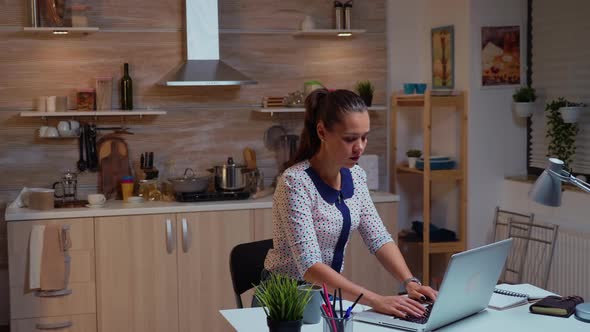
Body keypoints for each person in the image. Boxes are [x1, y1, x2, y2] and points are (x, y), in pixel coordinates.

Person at [264, 88, 438, 318]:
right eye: (350, 139)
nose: (360, 147)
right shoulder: (294, 183)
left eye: (364, 137)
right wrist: (376, 300)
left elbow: (379, 238)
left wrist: (410, 282)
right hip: (286, 301)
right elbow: (310, 266)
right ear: (322, 132)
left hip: (325, 296)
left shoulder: (356, 175)